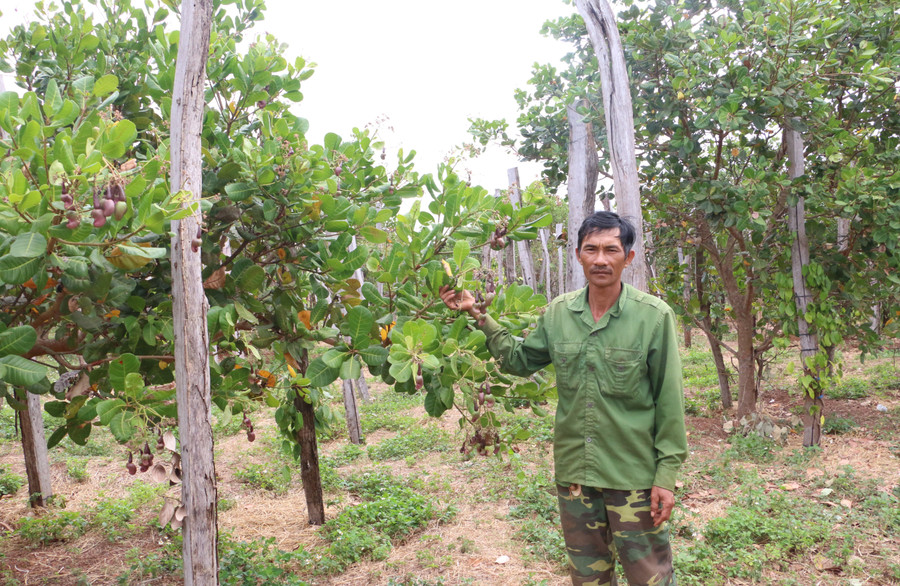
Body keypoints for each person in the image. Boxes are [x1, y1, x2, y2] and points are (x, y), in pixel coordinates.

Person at [440, 211, 688, 586]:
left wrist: (666, 477)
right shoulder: (559, 313)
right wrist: (477, 313)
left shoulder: (653, 317)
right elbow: (520, 360)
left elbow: (669, 402)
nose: (600, 259)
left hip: (633, 478)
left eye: (611, 250)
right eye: (591, 249)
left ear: (628, 258)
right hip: (576, 477)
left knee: (650, 578)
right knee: (588, 579)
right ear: (577, 255)